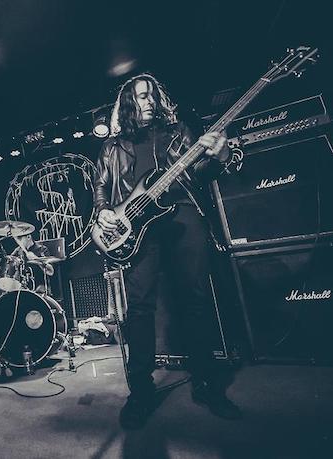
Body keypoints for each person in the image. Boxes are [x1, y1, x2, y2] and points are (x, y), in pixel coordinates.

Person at [93, 74, 242, 429]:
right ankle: (141, 391)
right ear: (128, 104)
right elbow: (101, 185)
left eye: (151, 95)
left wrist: (220, 155)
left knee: (196, 299)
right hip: (137, 223)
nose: (147, 101)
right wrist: (103, 211)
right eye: (139, 96)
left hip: (183, 213)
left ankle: (206, 383)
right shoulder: (113, 146)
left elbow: (202, 171)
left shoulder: (180, 131)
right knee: (140, 306)